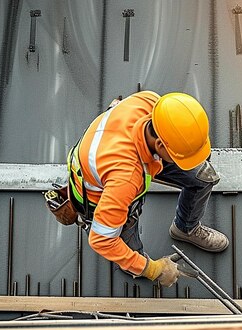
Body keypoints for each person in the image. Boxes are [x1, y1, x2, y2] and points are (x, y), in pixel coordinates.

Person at [66, 91, 228, 287]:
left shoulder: (151, 102)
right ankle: (132, 266)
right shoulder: (126, 179)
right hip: (101, 192)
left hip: (134, 153)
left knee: (202, 177)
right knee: (129, 253)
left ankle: (185, 228)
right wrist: (153, 269)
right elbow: (101, 240)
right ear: (160, 145)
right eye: (180, 155)